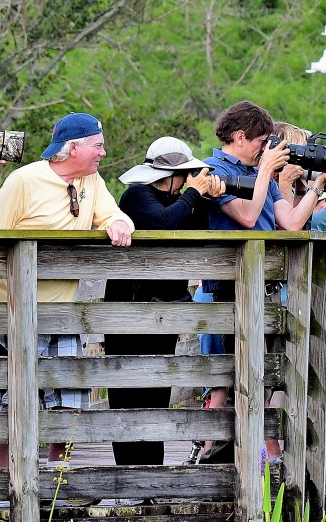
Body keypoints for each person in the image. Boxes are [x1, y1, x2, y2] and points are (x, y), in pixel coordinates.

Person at [0, 112, 135, 469]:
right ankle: (5, 479)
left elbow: (113, 214)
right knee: (3, 403)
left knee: (70, 402)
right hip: (9, 310)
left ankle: (59, 476)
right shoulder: (22, 181)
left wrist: (120, 222)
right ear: (73, 148)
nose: (103, 153)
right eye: (97, 146)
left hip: (61, 314)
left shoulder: (92, 180)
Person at [197, 101, 326, 465]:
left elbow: (292, 223)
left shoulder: (258, 173)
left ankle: (264, 457)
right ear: (240, 137)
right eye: (262, 141)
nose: (267, 149)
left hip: (266, 288)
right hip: (232, 290)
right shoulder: (214, 171)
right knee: (239, 378)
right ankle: (227, 459)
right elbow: (249, 218)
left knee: (270, 375)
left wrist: (318, 186)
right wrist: (267, 171)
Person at [101, 137, 225, 473]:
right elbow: (165, 222)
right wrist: (194, 194)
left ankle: (152, 475)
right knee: (127, 395)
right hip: (129, 311)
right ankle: (129, 475)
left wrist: (206, 200)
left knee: (157, 391)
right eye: (183, 175)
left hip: (164, 311)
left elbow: (196, 231)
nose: (186, 181)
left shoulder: (181, 201)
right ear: (167, 174)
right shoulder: (136, 195)